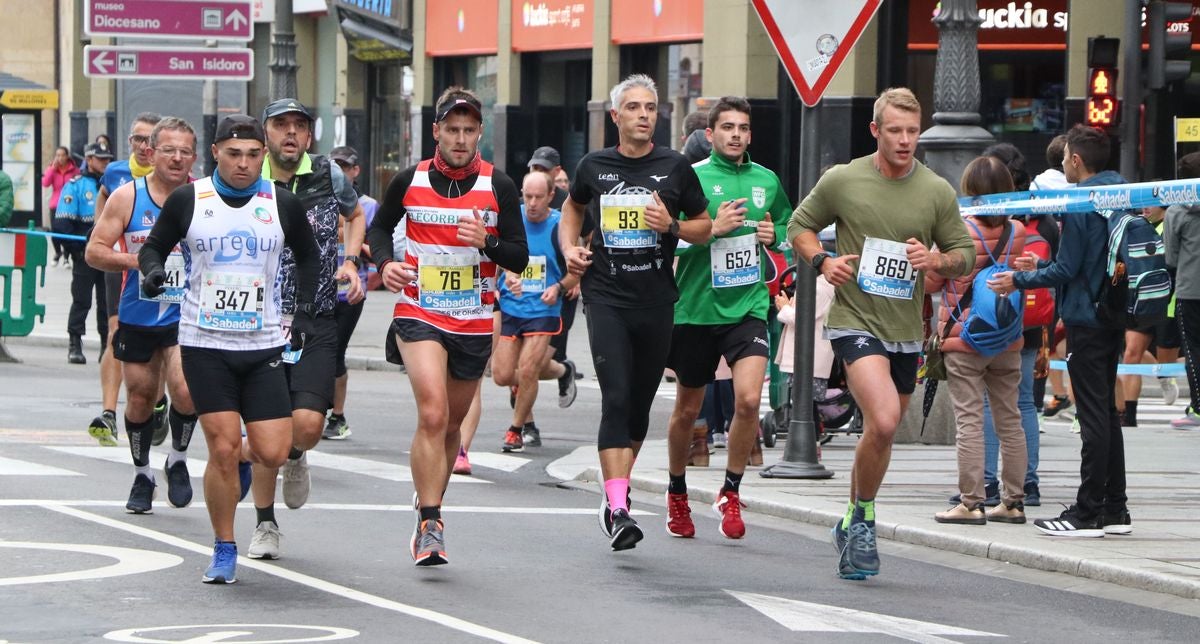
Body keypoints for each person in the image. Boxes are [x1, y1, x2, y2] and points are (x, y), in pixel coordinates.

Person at [787, 87, 974, 579]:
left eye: (913, 131)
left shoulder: (935, 190)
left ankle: (851, 516)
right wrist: (823, 261)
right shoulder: (844, 179)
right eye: (895, 130)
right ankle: (867, 519)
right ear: (876, 130)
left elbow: (965, 254)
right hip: (855, 322)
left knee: (879, 432)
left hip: (905, 330)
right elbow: (799, 226)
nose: (906, 140)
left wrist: (937, 260)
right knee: (887, 421)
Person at [138, 113, 320, 584]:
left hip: (263, 345)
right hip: (204, 342)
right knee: (220, 448)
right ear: (216, 152)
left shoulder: (280, 203)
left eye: (253, 155)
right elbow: (152, 248)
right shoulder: (189, 199)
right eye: (234, 154)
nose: (244, 164)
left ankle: (242, 459)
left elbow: (308, 257)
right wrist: (155, 271)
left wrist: (302, 313)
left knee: (274, 452)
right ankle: (224, 546)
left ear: (264, 155)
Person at [368, 86, 528, 566]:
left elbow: (519, 254)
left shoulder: (498, 186)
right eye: (451, 130)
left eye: (468, 130)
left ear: (479, 133)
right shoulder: (409, 180)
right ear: (435, 131)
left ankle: (429, 499)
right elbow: (379, 227)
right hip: (419, 311)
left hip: (474, 318)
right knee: (433, 414)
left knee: (453, 425)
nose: (460, 139)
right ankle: (429, 522)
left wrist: (489, 243)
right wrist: (385, 263)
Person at [560, 74, 712, 552]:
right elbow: (573, 207)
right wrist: (570, 249)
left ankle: (614, 495)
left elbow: (704, 227)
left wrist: (674, 225)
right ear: (616, 117)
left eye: (651, 107)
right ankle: (619, 508)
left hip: (656, 301)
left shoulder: (676, 167)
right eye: (634, 107)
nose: (644, 115)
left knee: (640, 408)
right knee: (617, 397)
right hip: (606, 297)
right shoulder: (593, 165)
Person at [990, 124, 1130, 537]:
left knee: (1092, 416)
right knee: (1106, 412)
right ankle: (1114, 508)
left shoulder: (1081, 202)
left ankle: (1087, 511)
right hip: (1112, 313)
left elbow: (1069, 268)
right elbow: (1086, 264)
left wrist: (1018, 280)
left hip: (1085, 318)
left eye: (1067, 155)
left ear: (1075, 160)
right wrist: (1043, 269)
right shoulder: (1120, 194)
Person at [662, 96, 788, 540]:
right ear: (710, 134)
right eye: (727, 127)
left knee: (750, 401)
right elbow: (667, 237)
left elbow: (788, 225)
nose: (736, 134)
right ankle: (676, 491)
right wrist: (709, 231)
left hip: (747, 307)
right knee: (688, 410)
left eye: (743, 128)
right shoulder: (689, 178)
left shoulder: (765, 180)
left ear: (750, 134)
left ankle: (730, 490)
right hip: (695, 309)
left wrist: (778, 235)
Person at [245, 99, 365, 561]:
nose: (290, 134)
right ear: (266, 134)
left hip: (316, 316)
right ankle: (265, 524)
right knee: (264, 433)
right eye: (280, 126)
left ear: (309, 136)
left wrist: (351, 261)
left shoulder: (329, 175)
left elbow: (354, 217)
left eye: (299, 126)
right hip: (258, 321)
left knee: (308, 427)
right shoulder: (247, 179)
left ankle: (298, 454)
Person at [85, 117, 200, 513]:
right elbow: (94, 251)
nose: (177, 158)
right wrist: (138, 261)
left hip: (188, 316)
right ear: (151, 152)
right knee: (139, 397)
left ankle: (179, 459)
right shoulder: (126, 197)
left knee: (186, 390)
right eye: (169, 150)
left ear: (195, 158)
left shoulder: (205, 199)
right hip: (139, 312)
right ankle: (143, 473)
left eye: (185, 152)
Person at [927, 156, 1028, 526]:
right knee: (1010, 419)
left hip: (964, 338)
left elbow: (933, 283)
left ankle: (971, 503)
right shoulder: (1018, 230)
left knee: (969, 420)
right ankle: (1013, 501)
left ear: (969, 190)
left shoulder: (957, 229)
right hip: (1007, 338)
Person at [90, 113, 167, 446]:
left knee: (161, 343)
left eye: (149, 139)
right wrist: (104, 234)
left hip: (161, 269)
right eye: (137, 138)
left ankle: (158, 400)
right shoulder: (115, 172)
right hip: (123, 263)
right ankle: (109, 413)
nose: (142, 145)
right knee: (114, 331)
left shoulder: (173, 176)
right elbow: (104, 202)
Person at [492, 171, 578, 452]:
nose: (531, 203)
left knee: (528, 370)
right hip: (511, 307)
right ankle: (563, 371)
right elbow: (494, 253)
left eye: (538, 197)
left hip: (544, 308)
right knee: (503, 375)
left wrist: (559, 288)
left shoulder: (559, 225)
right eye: (527, 196)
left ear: (551, 196)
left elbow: (577, 272)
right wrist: (508, 273)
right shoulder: (512, 218)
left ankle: (516, 430)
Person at [322, 145, 377, 441]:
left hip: (351, 291)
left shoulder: (367, 206)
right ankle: (318, 406)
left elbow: (380, 248)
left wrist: (357, 246)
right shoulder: (318, 197)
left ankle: (337, 416)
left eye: (346, 166)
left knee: (335, 353)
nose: (341, 172)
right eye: (336, 166)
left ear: (356, 171)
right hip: (320, 287)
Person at [528, 145, 582, 390]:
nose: (538, 172)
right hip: (524, 295)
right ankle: (523, 425)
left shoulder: (570, 203)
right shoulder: (521, 207)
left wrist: (577, 279)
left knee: (535, 364)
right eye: (534, 167)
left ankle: (562, 370)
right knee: (518, 367)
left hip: (559, 291)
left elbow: (588, 238)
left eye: (544, 169)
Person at [57, 142, 113, 366]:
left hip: (109, 254)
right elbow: (62, 223)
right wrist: (78, 252)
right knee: (81, 300)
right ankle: (75, 343)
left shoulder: (114, 185)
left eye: (108, 159)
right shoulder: (76, 185)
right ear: (89, 160)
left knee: (107, 302)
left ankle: (104, 346)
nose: (105, 163)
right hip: (86, 254)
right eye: (100, 159)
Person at [1166, 151, 1200, 429]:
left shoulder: (1176, 210)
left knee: (1193, 349)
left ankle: (1198, 408)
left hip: (1190, 289)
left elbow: (1171, 258)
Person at [43, 146, 80, 267]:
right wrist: (52, 168)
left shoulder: (74, 170)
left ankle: (66, 257)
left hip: (69, 206)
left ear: (67, 156)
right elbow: (45, 182)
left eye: (62, 155)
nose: (60, 158)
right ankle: (58, 252)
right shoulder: (53, 169)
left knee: (67, 232)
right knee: (55, 231)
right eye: (57, 155)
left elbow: (79, 185)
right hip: (55, 204)